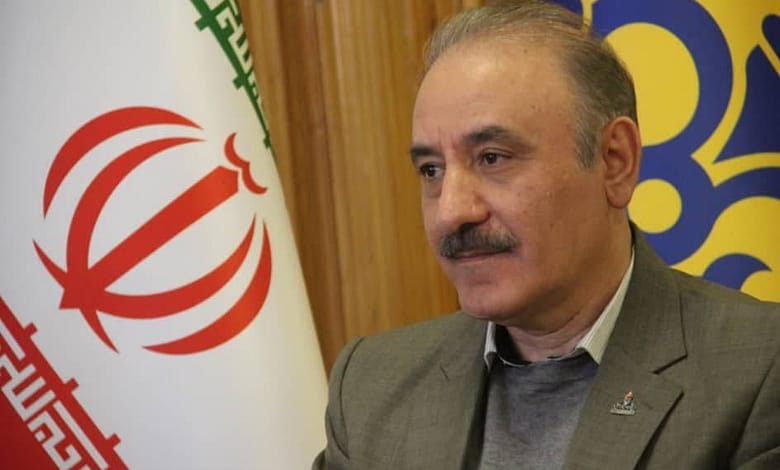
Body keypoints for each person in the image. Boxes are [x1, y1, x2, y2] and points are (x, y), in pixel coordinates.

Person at [313, 1, 780, 468]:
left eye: (492, 158)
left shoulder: (759, 371)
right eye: (432, 170)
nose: (452, 212)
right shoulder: (372, 389)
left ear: (615, 162)